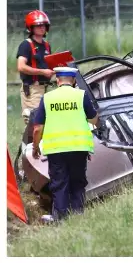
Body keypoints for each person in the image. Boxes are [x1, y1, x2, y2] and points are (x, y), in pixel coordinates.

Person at [31, 67, 99, 221]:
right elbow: (94, 120)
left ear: (58, 80)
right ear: (74, 80)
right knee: (77, 182)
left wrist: (35, 148)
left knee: (59, 184)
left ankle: (61, 220)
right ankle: (78, 217)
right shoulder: (81, 96)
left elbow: (37, 129)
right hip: (79, 148)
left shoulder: (47, 98)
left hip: (56, 150)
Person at [17, 10, 56, 125]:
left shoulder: (46, 45)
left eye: (43, 25)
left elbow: (48, 64)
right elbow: (21, 66)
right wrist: (42, 72)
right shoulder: (26, 45)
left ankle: (37, 143)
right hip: (33, 90)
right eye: (38, 25)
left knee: (45, 122)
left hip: (45, 88)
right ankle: (29, 144)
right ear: (31, 28)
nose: (41, 27)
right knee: (34, 123)